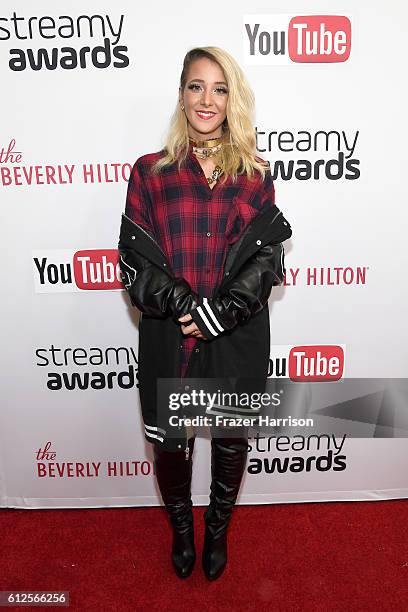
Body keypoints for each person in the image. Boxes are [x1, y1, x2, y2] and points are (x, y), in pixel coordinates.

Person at [118, 46, 292, 581]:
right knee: (173, 444)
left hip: (235, 332)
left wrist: (224, 309)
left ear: (231, 99)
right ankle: (181, 528)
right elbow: (132, 262)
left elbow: (269, 257)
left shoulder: (255, 173)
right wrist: (185, 305)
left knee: (231, 437)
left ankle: (217, 527)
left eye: (220, 88)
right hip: (172, 332)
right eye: (197, 86)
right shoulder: (150, 172)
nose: (207, 99)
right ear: (181, 95)